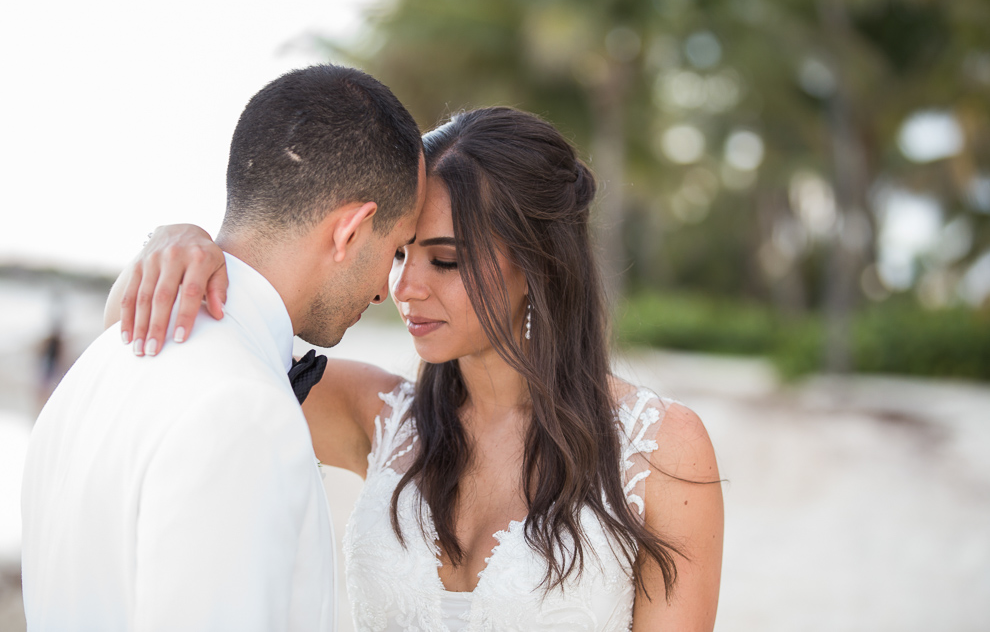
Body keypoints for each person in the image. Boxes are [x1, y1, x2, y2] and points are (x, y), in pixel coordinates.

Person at [113, 107, 723, 631]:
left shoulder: (659, 448)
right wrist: (171, 243)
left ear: (540, 265)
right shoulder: (370, 412)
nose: (404, 287)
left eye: (446, 261)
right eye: (400, 252)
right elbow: (151, 353)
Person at [21, 64, 425, 631]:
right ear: (350, 230)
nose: (386, 288)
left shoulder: (100, 363)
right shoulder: (245, 411)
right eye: (397, 249)